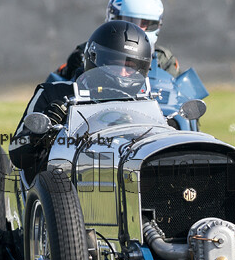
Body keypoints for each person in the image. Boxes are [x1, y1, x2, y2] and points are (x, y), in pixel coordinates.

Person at [11, 20, 153, 183]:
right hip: (61, 188)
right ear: (94, 58)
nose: (122, 73)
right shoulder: (53, 93)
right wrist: (42, 132)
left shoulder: (145, 102)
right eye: (115, 64)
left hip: (124, 182)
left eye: (130, 67)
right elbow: (17, 153)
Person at [56, 0, 180, 81]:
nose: (137, 29)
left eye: (144, 23)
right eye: (130, 22)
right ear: (113, 19)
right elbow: (59, 86)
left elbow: (180, 98)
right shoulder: (88, 52)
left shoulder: (163, 59)